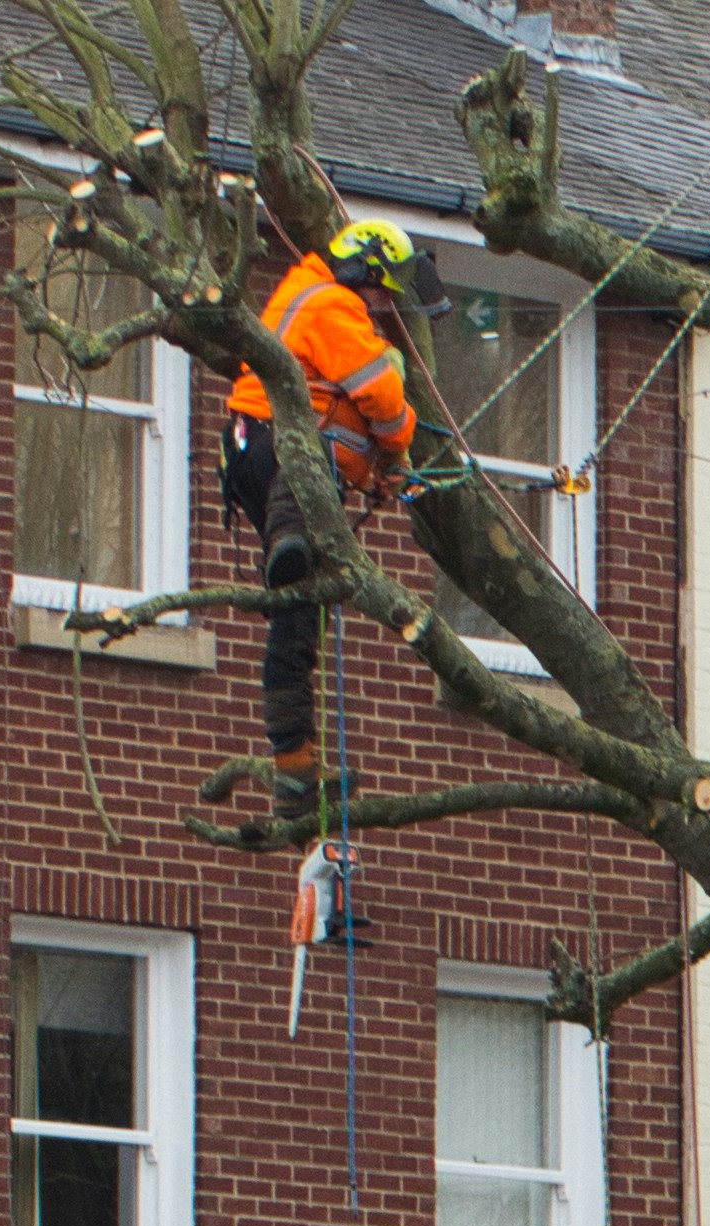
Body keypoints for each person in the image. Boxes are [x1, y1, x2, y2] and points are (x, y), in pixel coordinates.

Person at [219, 218, 432, 829]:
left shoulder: (300, 293)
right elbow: (380, 392)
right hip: (282, 451)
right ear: (364, 272)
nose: (384, 305)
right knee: (305, 486)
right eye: (384, 291)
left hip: (249, 453)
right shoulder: (332, 303)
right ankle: (290, 546)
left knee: (296, 626)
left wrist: (376, 470)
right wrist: (395, 451)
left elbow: (334, 397)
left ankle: (294, 768)